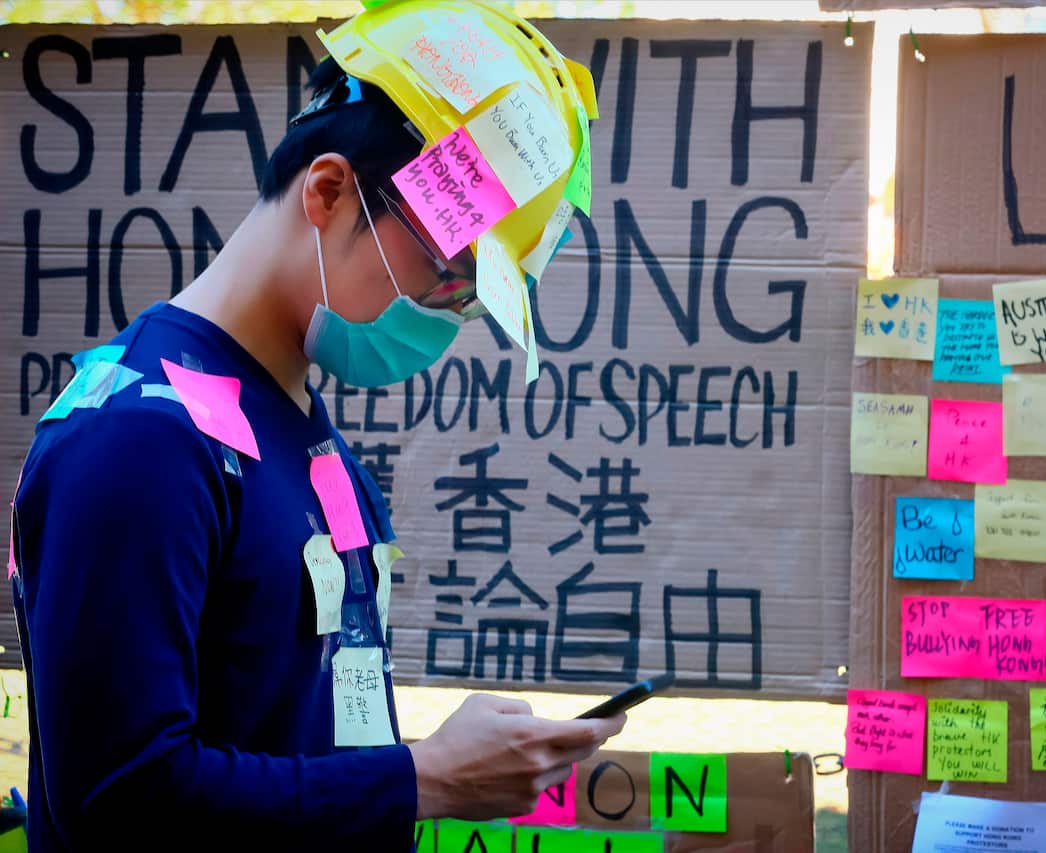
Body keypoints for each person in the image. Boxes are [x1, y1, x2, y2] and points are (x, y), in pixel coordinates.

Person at [7, 2, 619, 849]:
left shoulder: (290, 416)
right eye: (448, 271)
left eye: (473, 298)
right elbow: (119, 799)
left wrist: (423, 769)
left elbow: (295, 727)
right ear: (328, 191)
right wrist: (427, 776)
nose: (447, 314)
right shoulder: (140, 439)